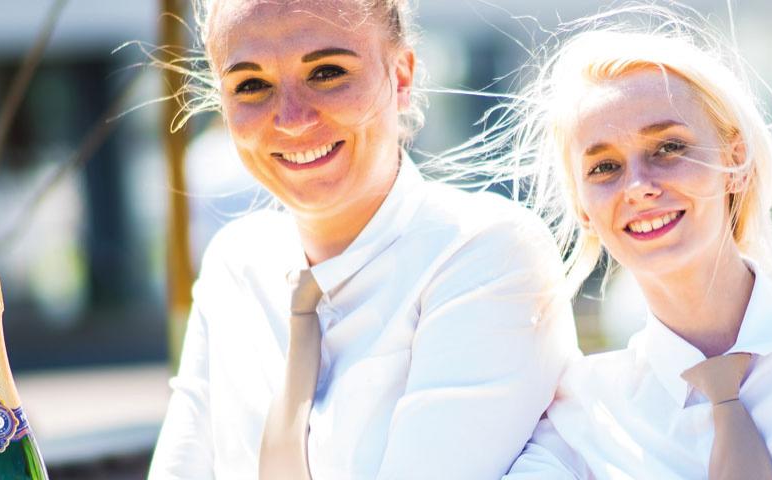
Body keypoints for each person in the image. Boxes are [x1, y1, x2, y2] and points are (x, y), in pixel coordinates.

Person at [146, 0, 577, 478]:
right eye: (251, 85)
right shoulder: (233, 263)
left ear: (402, 77)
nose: (291, 118)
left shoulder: (485, 252)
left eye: (327, 72)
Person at [484, 7, 772, 478]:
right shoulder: (577, 422)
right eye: (603, 167)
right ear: (583, 208)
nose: (638, 186)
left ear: (736, 160)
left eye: (668, 147)